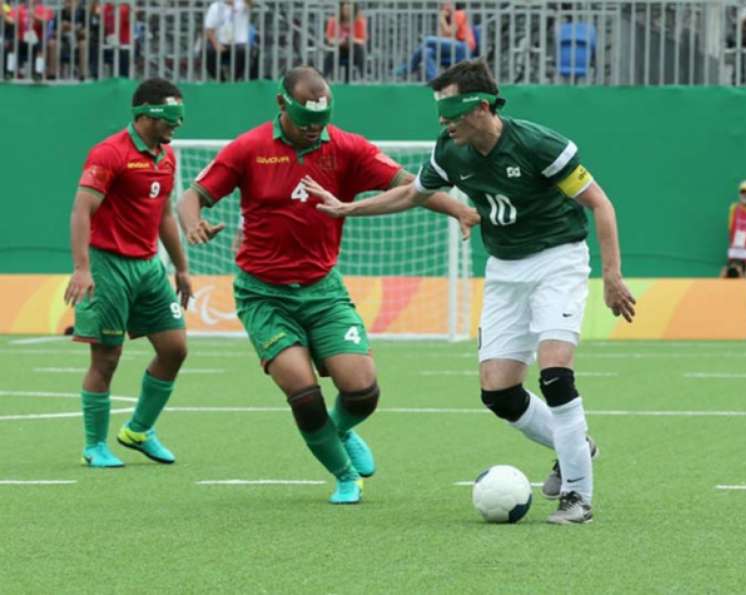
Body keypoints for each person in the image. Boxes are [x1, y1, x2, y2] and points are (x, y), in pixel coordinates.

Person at [303, 59, 636, 524]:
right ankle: (574, 444)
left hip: (558, 260)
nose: (443, 120)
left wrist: (614, 276)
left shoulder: (539, 144)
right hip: (504, 269)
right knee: (498, 393)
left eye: (452, 110)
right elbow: (410, 194)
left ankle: (577, 497)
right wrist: (347, 209)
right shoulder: (451, 151)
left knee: (556, 373)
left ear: (482, 106)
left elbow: (600, 203)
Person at [177, 66, 478, 504]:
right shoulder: (248, 149)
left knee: (363, 390)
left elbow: (411, 187)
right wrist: (192, 225)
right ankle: (343, 475)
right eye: (305, 123)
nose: (314, 131)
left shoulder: (347, 148)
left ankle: (336, 432)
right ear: (282, 105)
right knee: (302, 391)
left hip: (322, 289)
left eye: (321, 122)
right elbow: (193, 196)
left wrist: (458, 210)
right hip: (264, 295)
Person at [64, 78, 191, 468]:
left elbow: (165, 214)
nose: (177, 124)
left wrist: (182, 268)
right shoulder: (109, 153)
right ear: (146, 114)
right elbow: (81, 210)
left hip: (148, 266)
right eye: (171, 116)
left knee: (175, 349)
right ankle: (94, 446)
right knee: (107, 358)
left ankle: (139, 429)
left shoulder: (166, 157)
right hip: (107, 265)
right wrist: (82, 269)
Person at [396, 2, 476, 81]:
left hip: (463, 48)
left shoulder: (459, 13)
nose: (445, 7)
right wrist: (443, 20)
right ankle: (435, 81)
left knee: (428, 40)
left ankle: (409, 67)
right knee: (426, 51)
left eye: (448, 4)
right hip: (451, 50)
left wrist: (441, 18)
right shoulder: (447, 19)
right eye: (443, 5)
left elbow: (450, 32)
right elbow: (442, 38)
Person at [204, 0, 254, 81]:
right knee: (208, 51)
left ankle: (234, 80)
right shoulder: (215, 7)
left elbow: (250, 3)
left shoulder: (242, 4)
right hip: (221, 43)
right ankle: (220, 80)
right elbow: (209, 29)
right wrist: (216, 44)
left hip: (239, 43)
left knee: (243, 50)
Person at [323, 1, 366, 82]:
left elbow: (361, 40)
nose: (347, 11)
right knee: (331, 52)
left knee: (359, 49)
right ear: (341, 9)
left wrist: (351, 39)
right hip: (339, 49)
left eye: (349, 8)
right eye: (345, 8)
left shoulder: (359, 21)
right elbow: (330, 39)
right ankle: (323, 77)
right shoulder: (333, 21)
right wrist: (339, 41)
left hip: (353, 50)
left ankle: (364, 77)